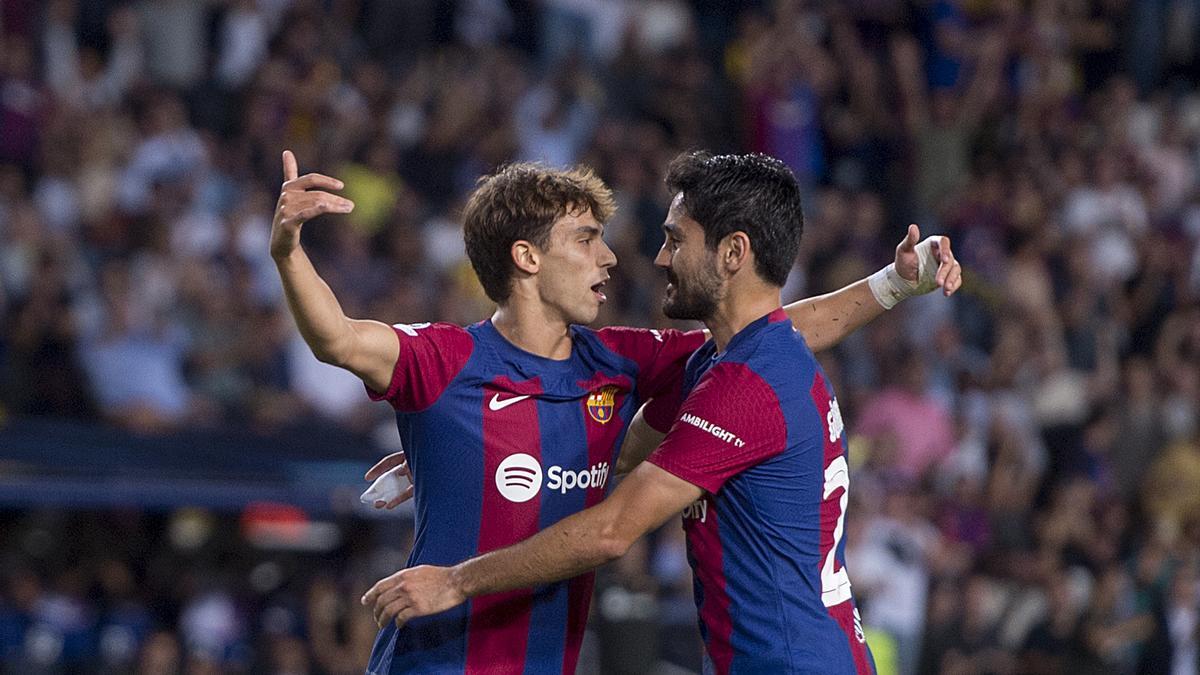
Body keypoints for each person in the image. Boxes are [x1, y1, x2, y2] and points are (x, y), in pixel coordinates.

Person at [272, 150, 959, 674]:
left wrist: (895, 283)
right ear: (526, 256)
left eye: (665, 238)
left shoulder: (648, 362)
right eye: (587, 238)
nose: (622, 256)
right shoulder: (446, 361)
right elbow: (335, 336)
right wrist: (288, 251)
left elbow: (762, 330)